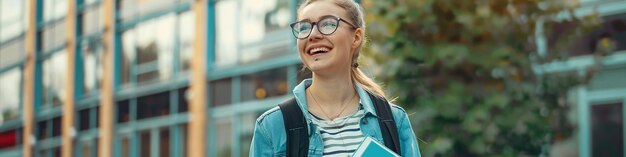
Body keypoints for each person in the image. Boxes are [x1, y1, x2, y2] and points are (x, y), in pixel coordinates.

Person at [249, 0, 421, 156]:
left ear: (356, 37)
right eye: (304, 27)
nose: (312, 35)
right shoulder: (271, 127)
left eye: (328, 23)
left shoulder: (393, 120)